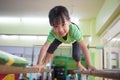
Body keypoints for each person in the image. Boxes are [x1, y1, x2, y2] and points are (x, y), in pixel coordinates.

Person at [35, 5, 95, 72]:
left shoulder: (74, 30)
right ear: (52, 26)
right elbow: (45, 47)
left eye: (63, 24)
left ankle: (78, 64)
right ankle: (44, 63)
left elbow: (84, 47)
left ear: (69, 21)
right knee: (50, 48)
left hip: (74, 39)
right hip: (59, 38)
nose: (60, 30)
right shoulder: (54, 32)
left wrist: (89, 65)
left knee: (75, 55)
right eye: (56, 26)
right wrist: (39, 64)